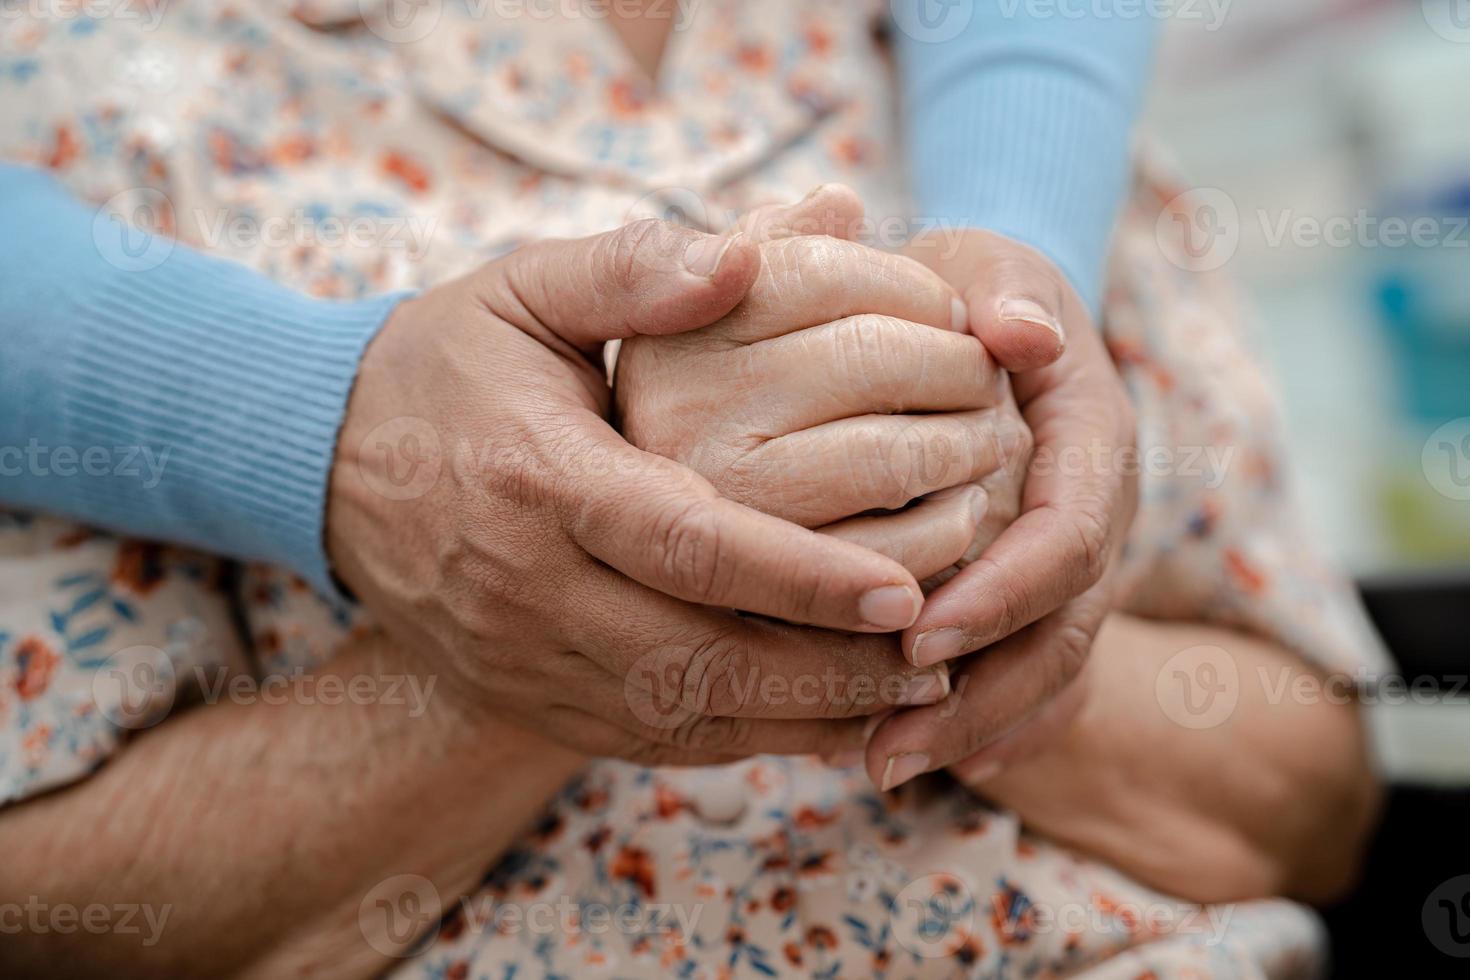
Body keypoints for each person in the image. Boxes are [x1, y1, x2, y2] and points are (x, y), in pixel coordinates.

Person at [0, 2, 1388, 976]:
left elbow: (1311, 805)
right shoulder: (91, 104)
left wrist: (965, 612)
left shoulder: (995, 92)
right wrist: (595, 597)